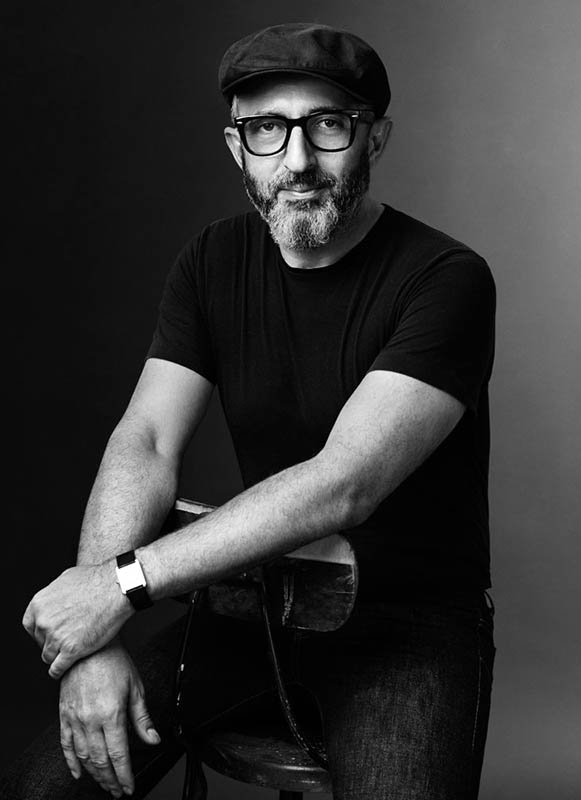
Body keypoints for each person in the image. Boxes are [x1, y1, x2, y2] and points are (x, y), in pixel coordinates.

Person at [3, 21, 496, 800]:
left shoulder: (447, 278)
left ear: (375, 137)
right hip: (259, 604)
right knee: (40, 789)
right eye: (268, 129)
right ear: (238, 147)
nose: (296, 161)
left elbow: (344, 484)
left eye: (328, 125)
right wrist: (93, 642)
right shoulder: (212, 261)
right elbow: (147, 440)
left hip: (408, 628)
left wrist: (120, 587)